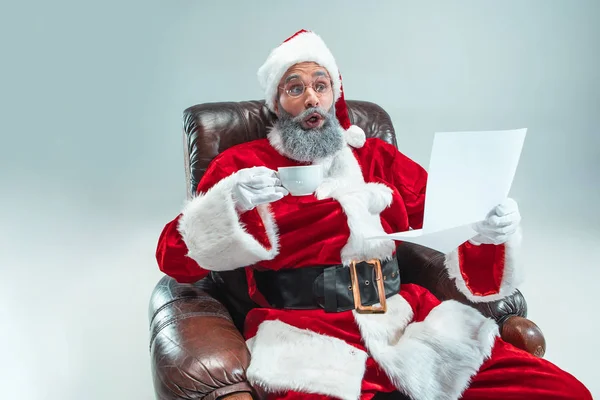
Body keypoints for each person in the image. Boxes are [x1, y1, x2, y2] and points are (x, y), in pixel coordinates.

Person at [156, 29, 591, 400]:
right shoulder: (241, 165)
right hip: (305, 337)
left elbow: (449, 219)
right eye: (295, 87)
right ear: (276, 101)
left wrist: (491, 229)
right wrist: (231, 203)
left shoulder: (376, 158)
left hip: (406, 322)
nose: (311, 97)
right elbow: (174, 258)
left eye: (320, 85)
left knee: (565, 392)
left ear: (334, 94)